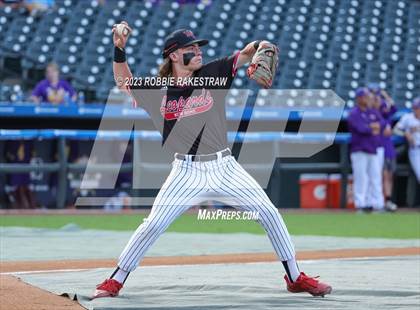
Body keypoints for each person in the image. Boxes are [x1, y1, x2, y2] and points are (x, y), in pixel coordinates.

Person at [92, 22, 332, 299]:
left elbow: (247, 52)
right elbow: (123, 82)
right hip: (186, 170)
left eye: (198, 47)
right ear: (173, 55)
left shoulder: (212, 74)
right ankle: (116, 280)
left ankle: (294, 277)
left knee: (269, 213)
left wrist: (261, 47)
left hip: (225, 166)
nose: (197, 52)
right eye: (190, 48)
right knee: (154, 224)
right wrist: (119, 49)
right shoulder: (157, 88)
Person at [348, 87, 389, 212]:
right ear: (359, 98)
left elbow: (382, 123)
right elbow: (361, 129)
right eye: (365, 97)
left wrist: (374, 126)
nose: (368, 99)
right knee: (361, 178)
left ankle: (377, 204)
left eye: (368, 96)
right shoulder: (354, 113)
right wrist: (373, 128)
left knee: (375, 177)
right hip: (359, 149)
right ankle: (361, 204)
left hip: (373, 149)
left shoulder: (372, 111)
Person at [368, 84, 398, 211]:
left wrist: (384, 94)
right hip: (377, 148)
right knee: (379, 175)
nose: (377, 100)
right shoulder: (371, 113)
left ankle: (387, 200)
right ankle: (377, 201)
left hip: (388, 148)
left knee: (389, 175)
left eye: (379, 98)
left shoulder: (385, 113)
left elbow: (393, 106)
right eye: (375, 98)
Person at [394, 97, 420, 184]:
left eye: (418, 108)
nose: (416, 110)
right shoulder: (408, 117)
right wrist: (405, 133)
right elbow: (395, 130)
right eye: (415, 108)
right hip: (415, 149)